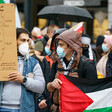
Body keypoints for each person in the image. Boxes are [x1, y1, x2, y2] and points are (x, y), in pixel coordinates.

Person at [47, 30, 97, 112]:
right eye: (58, 44)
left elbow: (93, 92)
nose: (58, 47)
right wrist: (52, 85)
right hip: (57, 109)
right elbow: (48, 86)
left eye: (61, 45)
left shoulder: (86, 64)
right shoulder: (57, 62)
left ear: (71, 47)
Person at [0, 28, 45, 112]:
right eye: (22, 40)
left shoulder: (33, 62)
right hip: (3, 107)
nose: (25, 44)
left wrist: (24, 80)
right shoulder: (2, 60)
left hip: (25, 108)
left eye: (27, 41)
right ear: (14, 41)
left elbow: (41, 87)